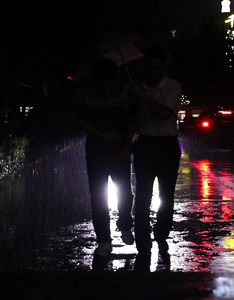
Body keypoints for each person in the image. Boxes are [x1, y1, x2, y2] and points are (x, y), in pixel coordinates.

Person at [128, 46, 182, 267]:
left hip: (167, 144)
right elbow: (130, 117)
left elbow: (163, 113)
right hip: (145, 144)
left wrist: (142, 95)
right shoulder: (136, 88)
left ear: (163, 69)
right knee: (143, 194)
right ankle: (143, 240)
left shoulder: (172, 86)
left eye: (157, 69)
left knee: (166, 195)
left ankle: (161, 233)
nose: (152, 73)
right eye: (149, 68)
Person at [77, 58, 135, 258]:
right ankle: (103, 240)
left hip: (120, 151)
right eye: (102, 86)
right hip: (96, 152)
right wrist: (103, 136)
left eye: (109, 85)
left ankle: (125, 224)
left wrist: (127, 144)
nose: (107, 90)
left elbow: (134, 121)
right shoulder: (89, 97)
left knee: (125, 193)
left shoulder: (128, 93)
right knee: (99, 197)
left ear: (116, 79)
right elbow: (82, 123)